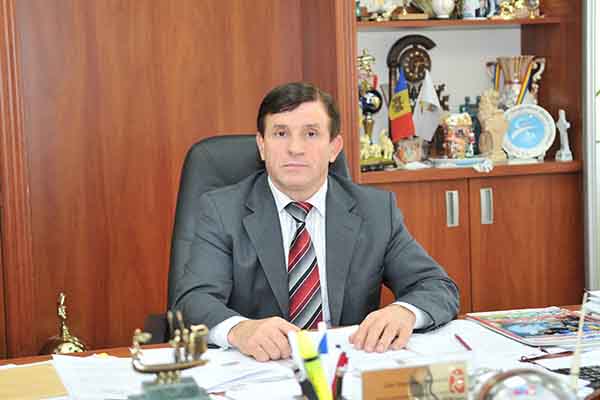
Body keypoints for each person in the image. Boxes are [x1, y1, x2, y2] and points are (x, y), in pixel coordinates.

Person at [172, 82, 459, 362]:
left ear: (334, 147)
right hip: (258, 368)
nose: (295, 148)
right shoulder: (222, 210)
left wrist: (405, 311)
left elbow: (436, 286)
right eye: (280, 133)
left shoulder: (375, 211)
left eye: (311, 133)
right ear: (262, 145)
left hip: (346, 367)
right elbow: (193, 300)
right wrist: (240, 329)